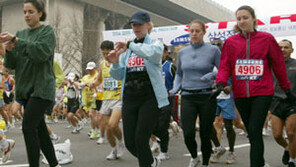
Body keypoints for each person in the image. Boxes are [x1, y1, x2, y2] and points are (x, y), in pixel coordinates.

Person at [215, 5, 293, 167]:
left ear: (253, 19)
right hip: (241, 94)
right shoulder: (231, 42)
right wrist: (220, 82)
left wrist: (286, 88)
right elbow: (225, 66)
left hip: (262, 93)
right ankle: (260, 161)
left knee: (255, 130)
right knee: (252, 132)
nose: (242, 21)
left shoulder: (267, 39)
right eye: (239, 18)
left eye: (245, 17)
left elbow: (278, 66)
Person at [0, 0, 60, 166]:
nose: (26, 15)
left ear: (40, 13)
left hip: (42, 89)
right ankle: (54, 163)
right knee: (40, 130)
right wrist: (10, 50)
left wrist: (17, 41)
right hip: (26, 90)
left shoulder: (47, 31)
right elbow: (11, 65)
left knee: (28, 127)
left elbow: (41, 53)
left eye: (31, 11)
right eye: (25, 12)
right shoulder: (20, 33)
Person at [108, 11, 169, 167]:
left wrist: (130, 45)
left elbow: (153, 55)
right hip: (130, 98)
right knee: (130, 143)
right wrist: (115, 63)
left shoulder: (155, 44)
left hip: (149, 98)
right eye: (134, 25)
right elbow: (118, 75)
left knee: (141, 139)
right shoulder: (128, 49)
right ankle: (151, 162)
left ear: (148, 25)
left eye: (139, 24)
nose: (136, 28)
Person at [170, 20, 221, 167]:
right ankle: (194, 156)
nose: (194, 34)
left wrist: (211, 76)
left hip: (206, 96)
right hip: (187, 96)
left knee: (205, 134)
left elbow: (223, 70)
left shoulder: (213, 50)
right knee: (188, 133)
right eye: (191, 31)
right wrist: (175, 88)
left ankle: (205, 163)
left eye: (197, 31)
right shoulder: (183, 52)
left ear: (204, 32)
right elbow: (179, 74)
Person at [90, 40, 125, 160]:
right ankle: (114, 149)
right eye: (103, 53)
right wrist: (93, 83)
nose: (106, 56)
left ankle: (120, 142)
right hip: (106, 99)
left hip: (118, 98)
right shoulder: (102, 64)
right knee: (107, 128)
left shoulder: (120, 61)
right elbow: (99, 79)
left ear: (113, 51)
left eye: (107, 53)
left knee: (112, 125)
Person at [270, 39, 296, 167]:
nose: (283, 50)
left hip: (292, 103)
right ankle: (287, 148)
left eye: (286, 47)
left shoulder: (295, 64)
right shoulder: (271, 64)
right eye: (280, 47)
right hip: (276, 103)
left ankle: (293, 159)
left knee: (291, 133)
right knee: (277, 135)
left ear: (292, 50)